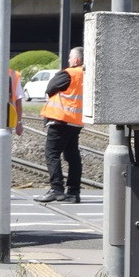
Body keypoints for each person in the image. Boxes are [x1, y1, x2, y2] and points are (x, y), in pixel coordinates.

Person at [35, 47, 84, 204]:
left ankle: (56, 189)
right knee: (72, 157)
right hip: (76, 121)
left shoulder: (68, 73)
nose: (69, 60)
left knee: (52, 154)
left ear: (76, 60)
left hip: (61, 119)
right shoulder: (88, 75)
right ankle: (73, 192)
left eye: (70, 57)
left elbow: (50, 88)